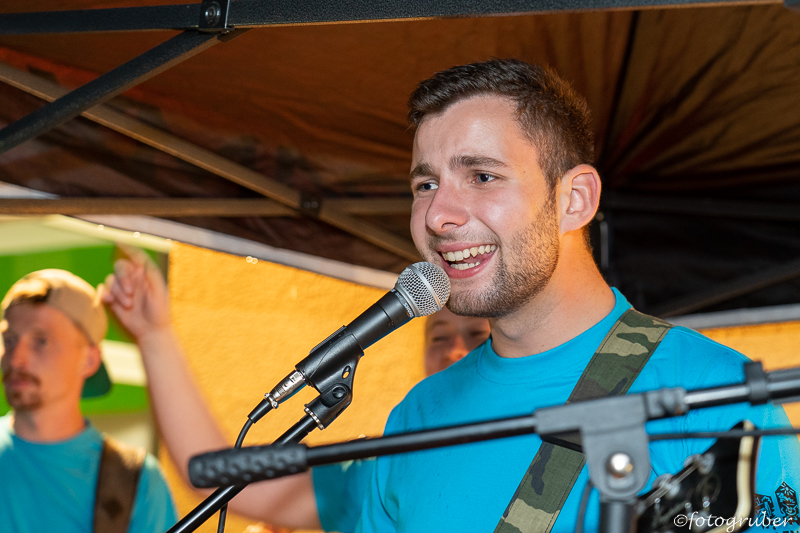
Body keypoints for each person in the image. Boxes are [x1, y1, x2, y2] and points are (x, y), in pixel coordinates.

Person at [350, 59, 800, 532]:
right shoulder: (415, 417)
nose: (437, 215)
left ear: (576, 198)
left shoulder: (717, 396)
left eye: (482, 176)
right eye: (425, 185)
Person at [100, 252, 490, 532]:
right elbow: (220, 478)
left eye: (475, 335)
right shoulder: (383, 469)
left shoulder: (529, 441)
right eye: (439, 337)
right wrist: (155, 337)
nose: (454, 350)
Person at [0, 269, 177, 533]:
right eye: (9, 340)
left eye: (41, 341)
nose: (16, 359)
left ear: (90, 360)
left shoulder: (135, 482)